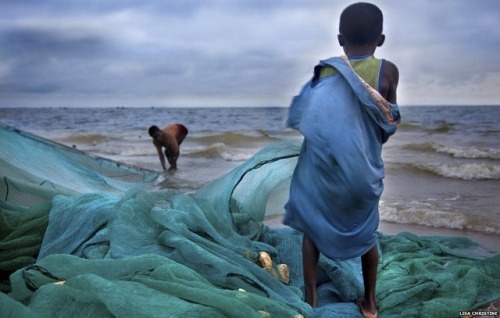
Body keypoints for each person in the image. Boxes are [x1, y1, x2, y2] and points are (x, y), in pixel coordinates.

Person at [283, 3, 400, 318]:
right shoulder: (387, 71)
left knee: (312, 228)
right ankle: (370, 302)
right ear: (381, 39)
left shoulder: (326, 71)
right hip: (364, 174)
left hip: (326, 174)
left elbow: (315, 119)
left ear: (339, 38)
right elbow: (387, 121)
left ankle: (311, 297)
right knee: (366, 234)